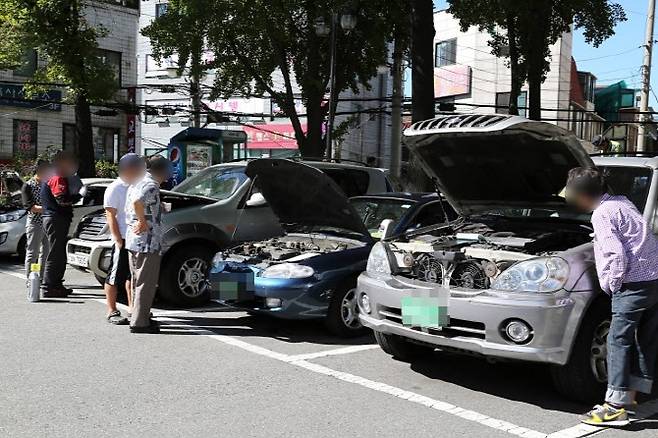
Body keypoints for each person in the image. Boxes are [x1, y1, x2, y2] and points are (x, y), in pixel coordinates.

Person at [565, 167, 658, 427]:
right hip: (653, 280)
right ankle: (631, 396)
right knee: (644, 341)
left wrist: (610, 285)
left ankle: (615, 407)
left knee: (618, 342)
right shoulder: (622, 202)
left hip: (632, 284)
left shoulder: (602, 213)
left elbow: (616, 256)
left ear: (584, 196)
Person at [125, 155, 170, 334]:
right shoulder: (150, 185)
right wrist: (142, 220)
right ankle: (140, 322)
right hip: (147, 241)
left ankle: (138, 314)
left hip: (135, 240)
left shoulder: (139, 181)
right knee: (146, 283)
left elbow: (136, 203)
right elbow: (137, 203)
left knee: (138, 281)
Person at [102, 154, 145, 325]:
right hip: (122, 239)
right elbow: (110, 216)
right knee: (114, 276)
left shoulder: (136, 186)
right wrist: (118, 239)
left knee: (131, 277)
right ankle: (111, 310)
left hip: (135, 239)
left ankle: (133, 309)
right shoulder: (115, 188)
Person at [40, 151, 82, 298]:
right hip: (56, 218)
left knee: (58, 252)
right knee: (56, 253)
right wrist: (80, 195)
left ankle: (56, 284)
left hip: (53, 218)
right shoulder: (57, 177)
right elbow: (62, 200)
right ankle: (48, 286)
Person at [21, 159, 52, 281]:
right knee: (32, 253)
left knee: (46, 253)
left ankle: (42, 278)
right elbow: (31, 207)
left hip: (48, 223)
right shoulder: (28, 185)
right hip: (35, 223)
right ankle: (30, 279)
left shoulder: (48, 184)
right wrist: (49, 208)